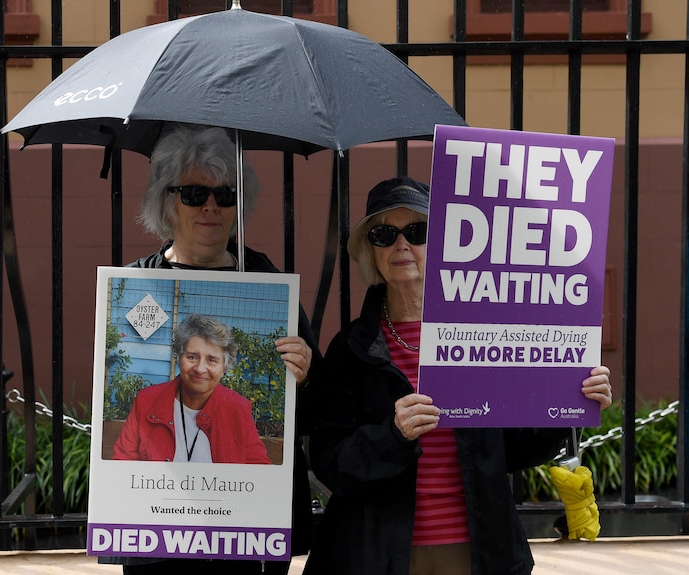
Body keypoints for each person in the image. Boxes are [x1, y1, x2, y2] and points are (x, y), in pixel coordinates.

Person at [303, 177, 614, 575]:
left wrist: (571, 401)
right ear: (371, 250)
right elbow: (331, 464)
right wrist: (392, 436)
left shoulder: (484, 332)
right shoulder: (352, 348)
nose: (401, 245)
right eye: (384, 234)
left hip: (477, 552)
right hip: (379, 556)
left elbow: (516, 447)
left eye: (418, 231)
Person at [101, 123, 320, 574]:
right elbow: (121, 459)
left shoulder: (272, 286)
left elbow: (317, 416)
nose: (211, 207)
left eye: (225, 195)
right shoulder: (135, 285)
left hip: (242, 541)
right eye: (194, 194)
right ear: (166, 201)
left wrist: (307, 376)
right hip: (157, 538)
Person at [113, 313, 271, 464]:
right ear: (178, 358)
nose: (200, 368)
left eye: (212, 360)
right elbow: (122, 462)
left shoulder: (237, 408)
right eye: (192, 357)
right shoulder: (147, 400)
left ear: (225, 367)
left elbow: (259, 473)